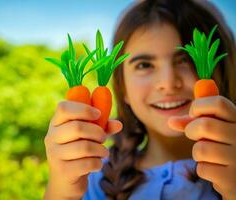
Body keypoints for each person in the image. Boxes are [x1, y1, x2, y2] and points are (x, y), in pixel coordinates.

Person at [43, 0, 236, 199]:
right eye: (144, 65)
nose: (168, 83)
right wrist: (60, 190)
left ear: (223, 71)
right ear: (123, 86)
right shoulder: (94, 180)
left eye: (186, 60)